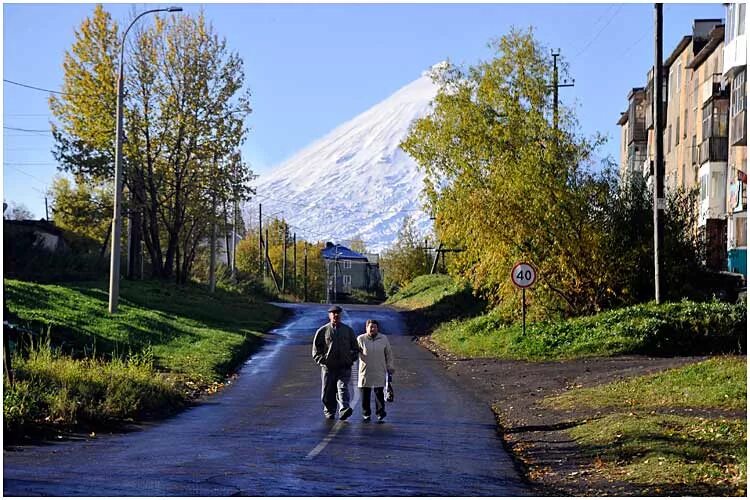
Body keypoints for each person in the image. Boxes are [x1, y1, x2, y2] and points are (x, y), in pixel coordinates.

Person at [312, 305, 359, 420]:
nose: (335, 315)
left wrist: (350, 359)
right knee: (328, 391)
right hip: (329, 368)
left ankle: (344, 409)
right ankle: (329, 411)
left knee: (342, 387)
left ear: (340, 315)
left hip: (344, 366)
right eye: (333, 313)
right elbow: (316, 350)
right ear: (329, 315)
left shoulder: (348, 330)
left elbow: (355, 347)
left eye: (337, 313)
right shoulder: (323, 331)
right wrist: (323, 361)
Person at [356, 319, 394, 422]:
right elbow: (354, 352)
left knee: (379, 393)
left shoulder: (383, 338)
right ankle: (366, 413)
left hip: (379, 370)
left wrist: (390, 366)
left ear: (377, 328)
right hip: (365, 371)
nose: (372, 329)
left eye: (374, 327)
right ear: (366, 328)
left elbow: (389, 354)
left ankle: (380, 413)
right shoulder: (360, 339)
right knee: (365, 394)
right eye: (370, 327)